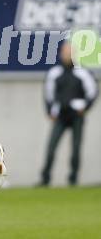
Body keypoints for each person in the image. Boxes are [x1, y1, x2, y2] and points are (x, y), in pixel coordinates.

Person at [40, 41, 98, 186]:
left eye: (70, 52)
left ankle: (73, 179)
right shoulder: (55, 73)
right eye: (65, 52)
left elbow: (93, 91)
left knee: (76, 148)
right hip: (60, 115)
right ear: (61, 54)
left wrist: (85, 107)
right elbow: (48, 93)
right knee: (51, 147)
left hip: (76, 116)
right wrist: (50, 110)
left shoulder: (82, 73)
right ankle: (45, 178)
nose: (67, 55)